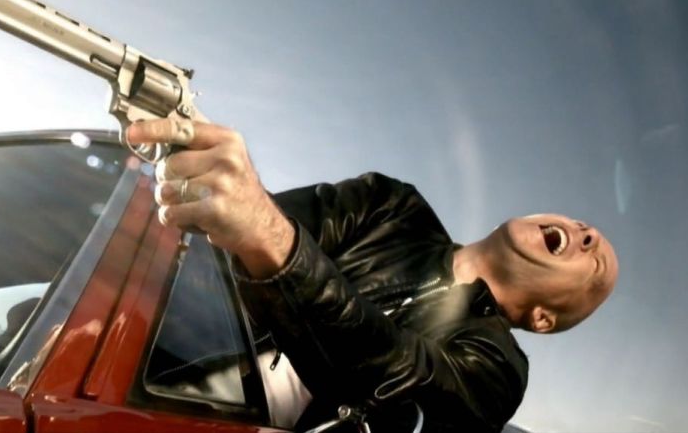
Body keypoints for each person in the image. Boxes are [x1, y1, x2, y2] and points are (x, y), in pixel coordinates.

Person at [126, 119, 620, 432]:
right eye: (583, 225)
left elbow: (396, 378)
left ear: (543, 318)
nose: (589, 232)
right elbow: (225, 241)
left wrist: (269, 239)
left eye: (594, 260)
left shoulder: (498, 370)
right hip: (131, 376)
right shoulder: (393, 207)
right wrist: (205, 185)